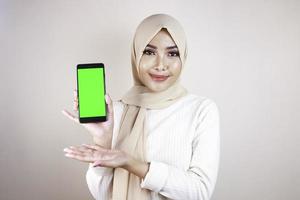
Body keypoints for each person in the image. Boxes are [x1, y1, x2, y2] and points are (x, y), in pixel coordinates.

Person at [62, 13, 220, 200]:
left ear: (183, 56)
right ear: (136, 54)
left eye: (172, 53)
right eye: (149, 52)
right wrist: (102, 140)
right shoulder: (116, 111)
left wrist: (132, 163)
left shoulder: (201, 110)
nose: (161, 65)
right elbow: (103, 195)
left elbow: (200, 192)